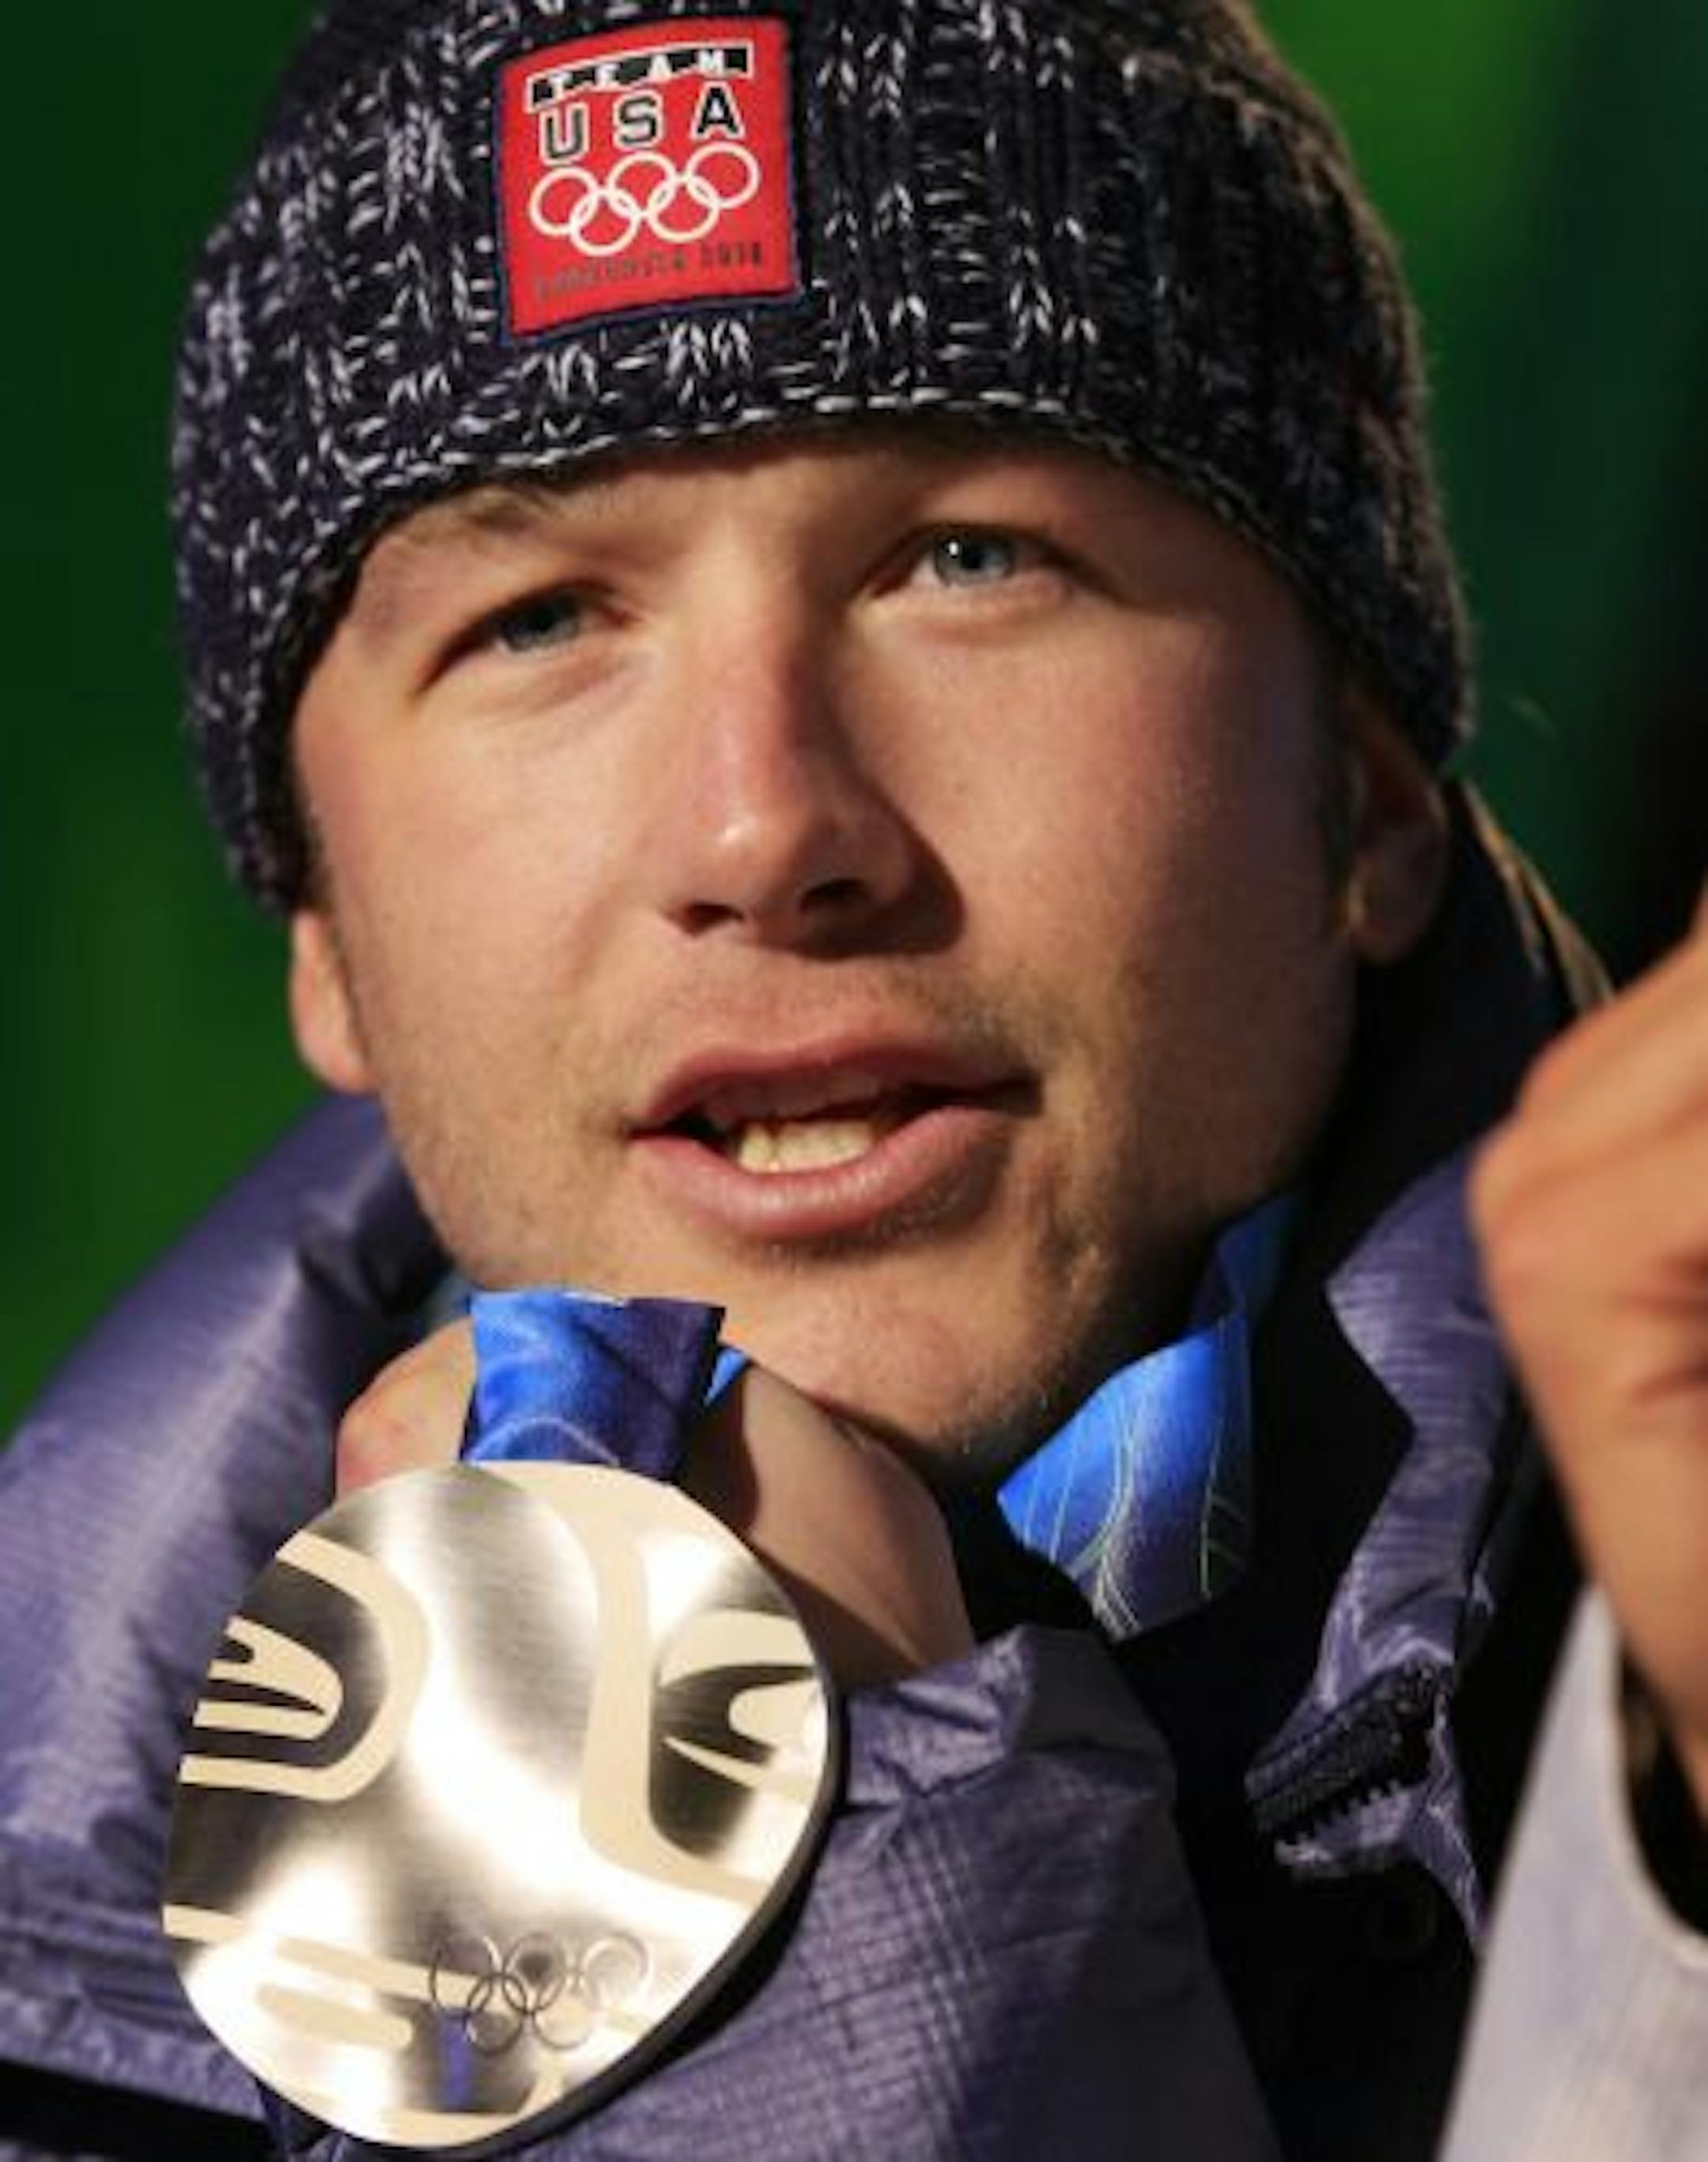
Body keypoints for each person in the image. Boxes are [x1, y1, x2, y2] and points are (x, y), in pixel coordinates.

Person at [0, 1, 1700, 2155]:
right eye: (535, 622)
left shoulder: (1672, 1725)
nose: (766, 826)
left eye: (968, 560)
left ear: (1362, 798)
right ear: (324, 934)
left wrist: (866, 1926)